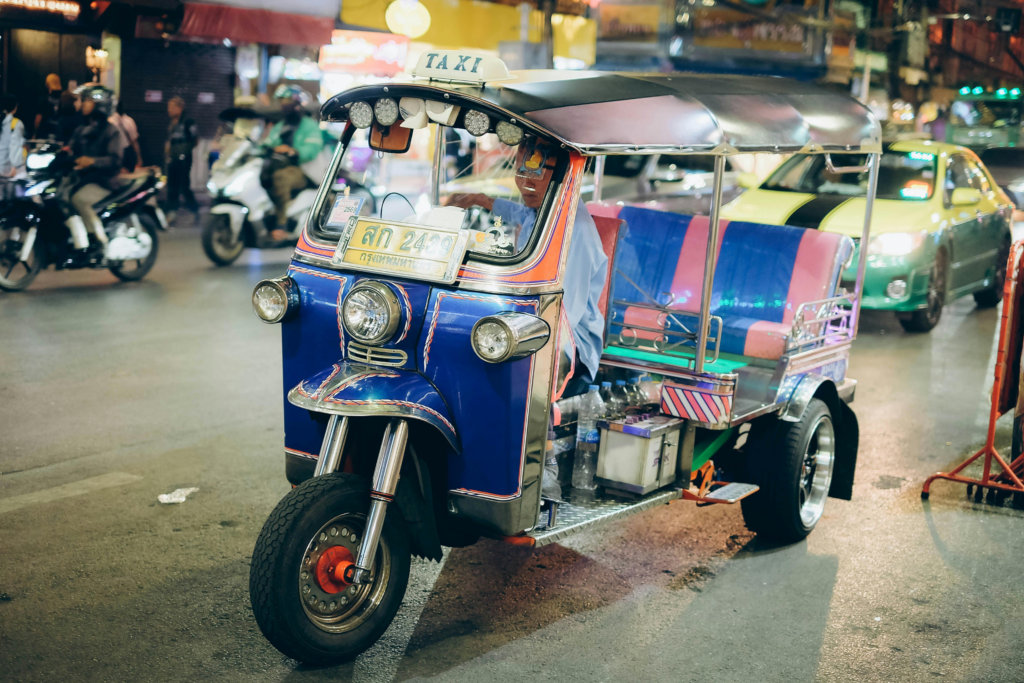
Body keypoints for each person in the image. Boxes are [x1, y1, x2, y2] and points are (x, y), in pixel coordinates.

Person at [447, 136, 608, 389]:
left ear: (563, 178)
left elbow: (566, 313)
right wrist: (479, 199)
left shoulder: (574, 229)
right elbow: (519, 212)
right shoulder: (544, 206)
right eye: (520, 175)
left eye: (535, 177)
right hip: (529, 318)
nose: (525, 184)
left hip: (568, 343)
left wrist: (521, 343)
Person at [261, 84, 324, 239]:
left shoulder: (309, 125)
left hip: (302, 170)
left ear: (297, 104)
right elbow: (268, 142)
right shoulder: (280, 126)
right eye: (282, 102)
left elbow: (313, 148)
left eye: (287, 101)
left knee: (280, 178)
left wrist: (294, 151)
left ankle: (281, 224)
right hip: (276, 165)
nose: (284, 105)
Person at [66, 85, 122, 251]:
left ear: (100, 105)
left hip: (104, 182)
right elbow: (70, 149)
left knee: (79, 199)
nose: (83, 104)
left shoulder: (112, 131)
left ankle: (100, 241)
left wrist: (92, 161)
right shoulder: (82, 129)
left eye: (87, 101)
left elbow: (115, 160)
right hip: (83, 179)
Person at [165, 95, 199, 216]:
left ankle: (194, 209)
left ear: (180, 108)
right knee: (172, 184)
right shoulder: (172, 123)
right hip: (173, 159)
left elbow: (195, 140)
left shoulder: (188, 121)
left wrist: (184, 151)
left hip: (184, 159)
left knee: (184, 185)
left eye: (172, 107)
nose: (169, 110)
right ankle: (171, 210)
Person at [109, 100, 142, 172]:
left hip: (114, 152)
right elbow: (134, 142)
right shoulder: (130, 121)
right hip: (127, 153)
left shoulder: (110, 121)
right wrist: (139, 158)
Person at [0, 95, 26, 179]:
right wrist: (15, 167)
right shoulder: (16, 124)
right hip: (6, 170)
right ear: (15, 108)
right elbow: (15, 147)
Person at [34, 73, 62, 139]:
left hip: (44, 135)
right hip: (59, 136)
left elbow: (38, 119)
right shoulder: (64, 99)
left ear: (47, 84)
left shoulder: (43, 100)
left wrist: (35, 134)